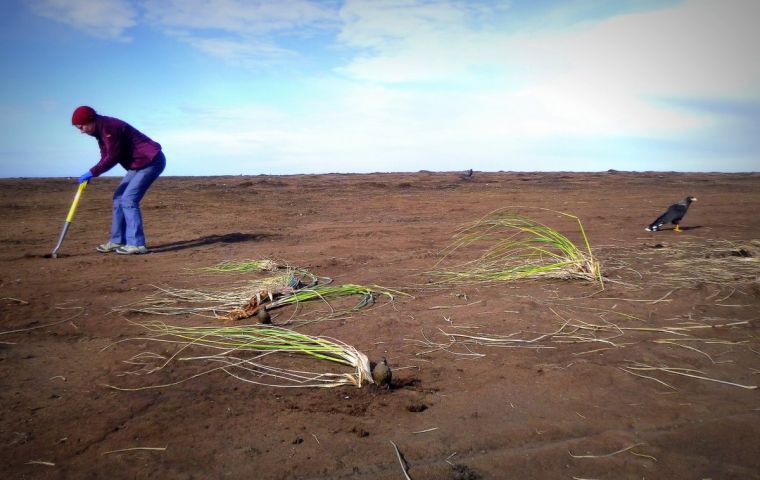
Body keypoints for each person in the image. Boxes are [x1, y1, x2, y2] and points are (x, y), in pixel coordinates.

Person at [72, 106, 166, 255]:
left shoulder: (109, 128)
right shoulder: (100, 132)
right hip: (138, 165)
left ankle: (137, 244)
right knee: (118, 198)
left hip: (151, 161)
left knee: (128, 199)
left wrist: (92, 172)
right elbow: (105, 156)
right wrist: (92, 172)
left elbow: (113, 156)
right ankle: (117, 241)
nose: (81, 131)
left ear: (90, 120)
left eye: (82, 126)